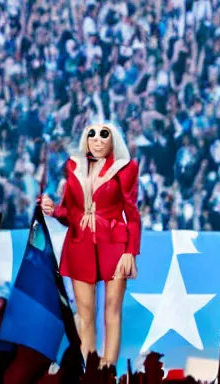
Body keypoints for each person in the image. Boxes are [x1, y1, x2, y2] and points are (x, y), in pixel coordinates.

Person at [41, 121, 141, 368]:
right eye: (92, 134)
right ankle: (87, 368)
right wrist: (53, 210)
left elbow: (133, 214)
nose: (97, 139)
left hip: (114, 244)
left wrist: (131, 251)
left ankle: (108, 369)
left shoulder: (125, 168)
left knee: (112, 310)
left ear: (112, 140)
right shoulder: (74, 167)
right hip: (80, 244)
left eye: (103, 135)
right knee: (85, 315)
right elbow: (70, 212)